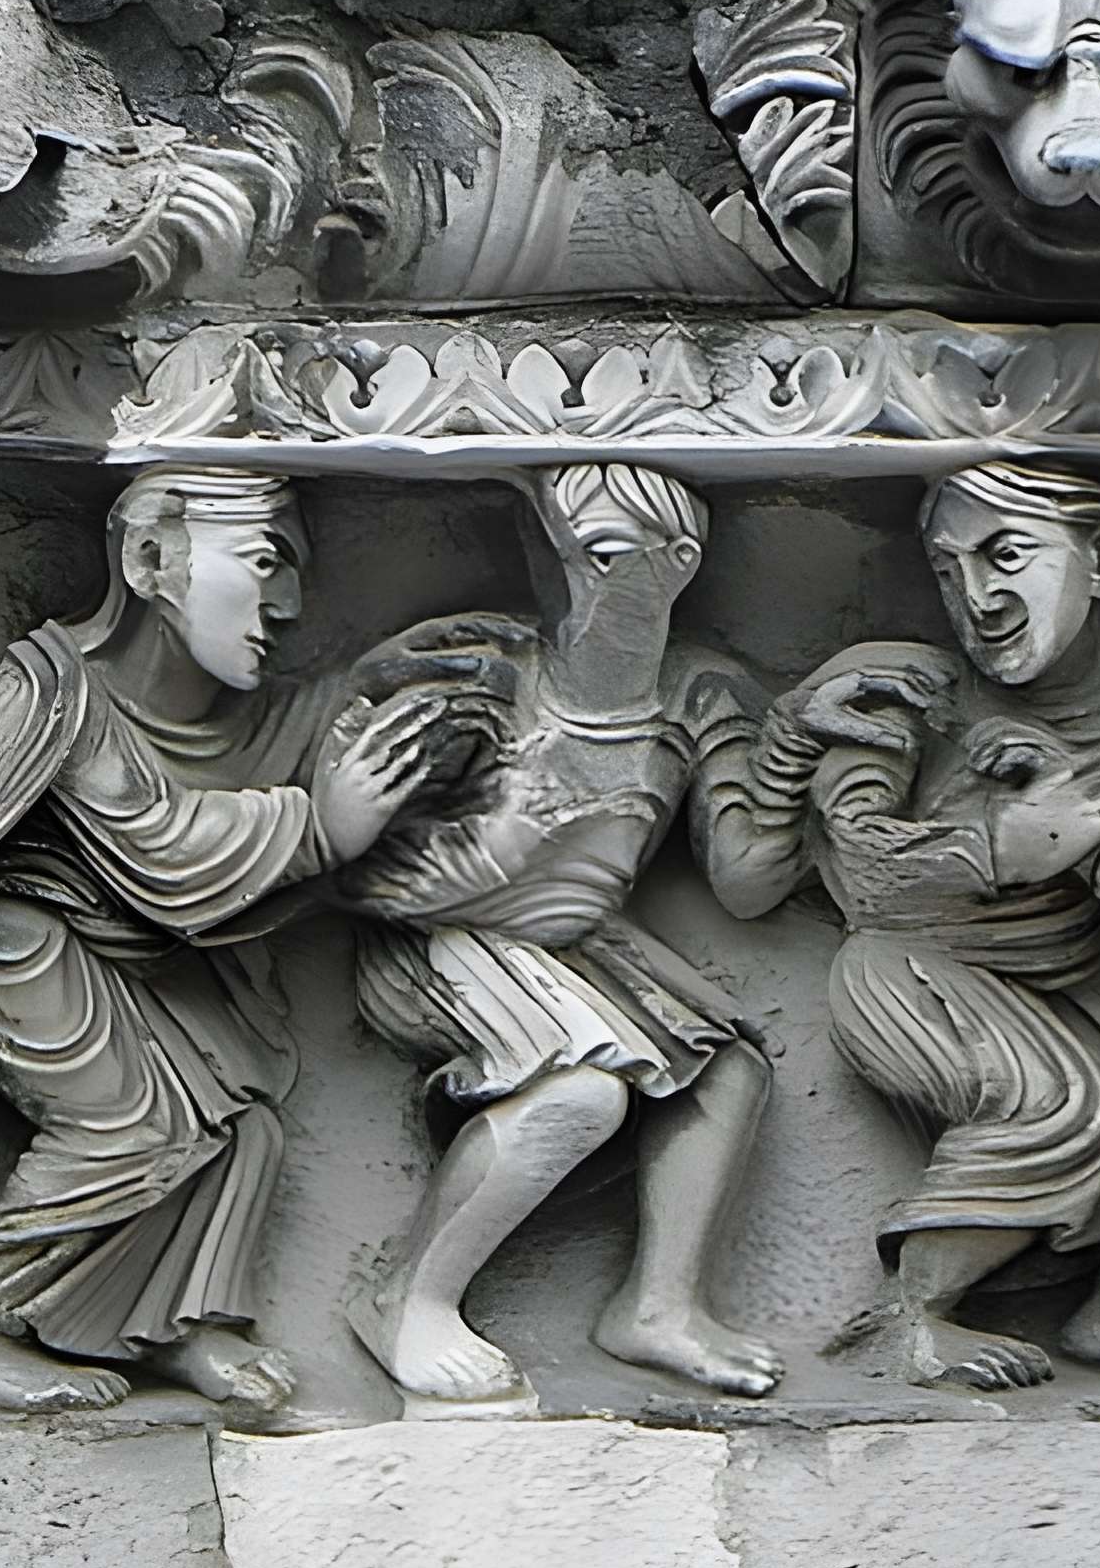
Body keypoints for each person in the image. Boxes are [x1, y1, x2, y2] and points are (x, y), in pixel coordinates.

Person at [0, 466, 438, 1417]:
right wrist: (320, 828)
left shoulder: (240, 717)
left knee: (241, 1129)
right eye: (265, 560)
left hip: (138, 959)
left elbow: (298, 733)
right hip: (23, 946)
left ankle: (176, 1327)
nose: (289, 603)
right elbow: (158, 848)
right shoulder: (49, 688)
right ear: (149, 558)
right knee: (131, 1128)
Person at [709, 462, 1100, 1396]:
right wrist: (996, 847)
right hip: (909, 970)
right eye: (947, 566)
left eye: (1006, 554)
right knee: (1050, 1099)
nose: (977, 596)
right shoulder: (905, 687)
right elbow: (847, 870)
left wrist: (1097, 854)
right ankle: (918, 1316)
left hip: (1077, 970)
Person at [329, 463, 780, 1410]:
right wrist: (486, 867)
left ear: (679, 562)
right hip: (442, 945)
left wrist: (802, 759)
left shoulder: (699, 695)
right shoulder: (486, 677)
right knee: (581, 1096)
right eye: (569, 548)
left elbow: (746, 882)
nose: (579, 574)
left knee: (730, 1070)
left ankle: (658, 1307)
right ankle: (406, 1296)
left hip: (579, 945)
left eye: (608, 553)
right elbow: (353, 866)